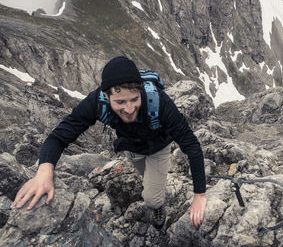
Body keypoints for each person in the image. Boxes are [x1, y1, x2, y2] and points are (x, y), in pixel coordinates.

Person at [11, 56, 207, 229]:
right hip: (132, 148)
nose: (129, 109)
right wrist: (44, 172)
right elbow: (59, 137)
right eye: (120, 102)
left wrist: (199, 195)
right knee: (148, 179)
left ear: (140, 91)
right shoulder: (96, 103)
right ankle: (154, 184)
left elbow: (191, 145)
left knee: (151, 198)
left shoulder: (159, 101)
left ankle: (157, 206)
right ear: (107, 96)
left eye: (134, 99)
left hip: (159, 147)